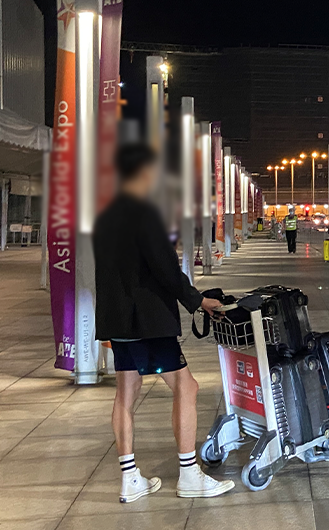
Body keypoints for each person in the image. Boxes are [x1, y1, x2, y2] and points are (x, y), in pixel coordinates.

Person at [94, 144, 235, 503]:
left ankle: (130, 479)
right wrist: (197, 301)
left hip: (119, 321)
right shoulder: (145, 211)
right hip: (148, 322)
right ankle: (189, 474)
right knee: (187, 387)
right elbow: (166, 269)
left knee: (126, 393)